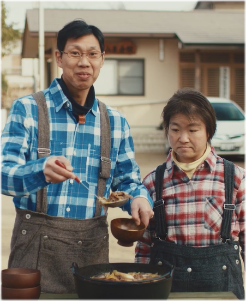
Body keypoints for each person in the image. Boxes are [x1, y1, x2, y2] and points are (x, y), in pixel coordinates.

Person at [1, 19, 154, 293]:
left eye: (92, 54)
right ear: (58, 57)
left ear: (102, 59)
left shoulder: (115, 122)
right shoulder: (27, 110)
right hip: (33, 256)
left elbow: (128, 181)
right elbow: (4, 176)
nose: (84, 62)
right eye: (75, 53)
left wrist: (140, 197)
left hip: (92, 257)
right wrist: (40, 170)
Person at [135, 88, 245, 299]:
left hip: (223, 291)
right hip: (165, 290)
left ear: (208, 131)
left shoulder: (236, 179)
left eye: (193, 130)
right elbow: (144, 245)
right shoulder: (152, 182)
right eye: (175, 129)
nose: (183, 138)